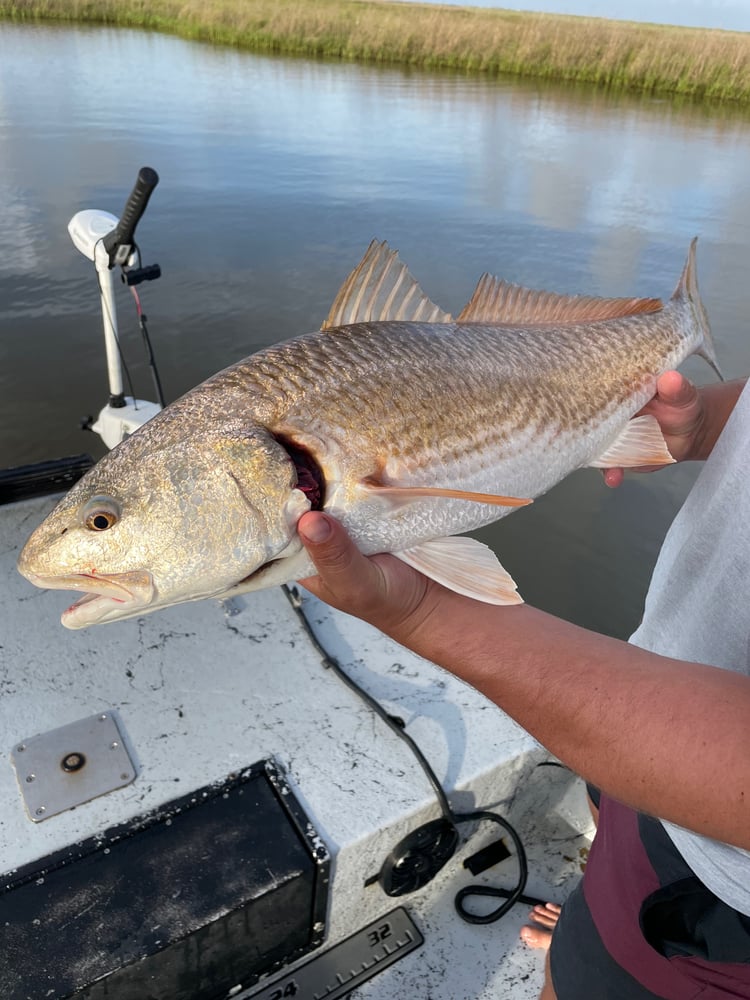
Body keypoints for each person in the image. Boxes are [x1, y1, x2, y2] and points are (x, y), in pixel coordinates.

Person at [296, 370, 750, 999]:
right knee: (604, 839)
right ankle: (593, 900)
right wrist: (715, 421)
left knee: (573, 978)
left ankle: (593, 932)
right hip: (648, 690)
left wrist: (426, 613)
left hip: (717, 894)